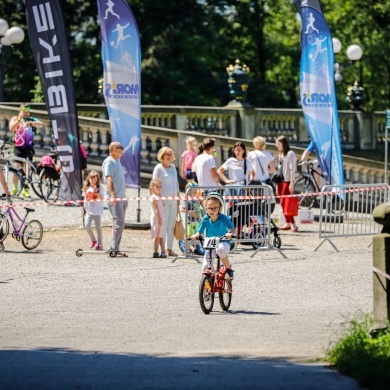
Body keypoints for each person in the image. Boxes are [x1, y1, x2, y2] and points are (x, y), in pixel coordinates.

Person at [190, 191, 236, 280]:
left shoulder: (223, 218)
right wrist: (196, 235)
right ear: (206, 208)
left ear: (219, 208)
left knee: (220, 249)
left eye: (214, 208)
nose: (211, 210)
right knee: (205, 267)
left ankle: (228, 269)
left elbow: (233, 229)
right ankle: (206, 288)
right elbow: (199, 231)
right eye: (209, 208)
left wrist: (230, 233)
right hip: (211, 244)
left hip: (223, 242)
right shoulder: (205, 219)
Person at [8, 103, 43, 197]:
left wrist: (30, 123)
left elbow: (41, 124)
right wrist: (19, 120)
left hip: (28, 148)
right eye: (25, 111)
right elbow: (11, 128)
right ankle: (15, 189)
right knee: (16, 168)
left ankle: (25, 190)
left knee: (27, 170)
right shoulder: (15, 118)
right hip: (18, 148)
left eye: (28, 111)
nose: (27, 113)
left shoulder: (31, 119)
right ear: (20, 111)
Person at [152, 147, 180, 257]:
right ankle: (161, 249)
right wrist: (157, 200)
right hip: (162, 201)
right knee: (162, 225)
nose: (169, 156)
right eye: (166, 154)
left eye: (170, 154)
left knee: (170, 225)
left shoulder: (173, 168)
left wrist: (178, 198)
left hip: (173, 200)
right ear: (162, 156)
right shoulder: (158, 168)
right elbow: (154, 185)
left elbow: (176, 183)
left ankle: (169, 248)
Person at [102, 141, 128, 257]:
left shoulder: (118, 161)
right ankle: (112, 247)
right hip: (115, 198)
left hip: (122, 198)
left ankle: (115, 248)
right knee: (119, 222)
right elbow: (109, 179)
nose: (122, 149)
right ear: (113, 150)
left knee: (119, 224)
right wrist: (113, 194)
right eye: (120, 147)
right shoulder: (109, 161)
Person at [275, 135, 298, 232]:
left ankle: (293, 224)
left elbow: (292, 169)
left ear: (283, 144)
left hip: (287, 180)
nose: (277, 146)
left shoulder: (290, 154)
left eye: (278, 144)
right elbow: (278, 170)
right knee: (282, 202)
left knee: (285, 202)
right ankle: (288, 222)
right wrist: (276, 185)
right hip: (280, 180)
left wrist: (292, 183)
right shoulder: (280, 154)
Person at [82, 170, 104, 251]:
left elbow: (102, 199)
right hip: (89, 211)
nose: (94, 181)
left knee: (98, 227)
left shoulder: (100, 188)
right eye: (92, 179)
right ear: (89, 179)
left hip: (97, 211)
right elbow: (84, 198)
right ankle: (93, 239)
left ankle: (100, 244)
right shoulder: (86, 188)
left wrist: (97, 192)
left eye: (95, 179)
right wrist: (84, 208)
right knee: (87, 225)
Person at [149, 179, 167, 258]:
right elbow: (156, 209)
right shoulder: (153, 198)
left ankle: (163, 251)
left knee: (161, 235)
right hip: (157, 218)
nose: (159, 188)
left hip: (161, 218)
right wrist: (159, 218)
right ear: (152, 188)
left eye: (160, 186)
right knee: (157, 236)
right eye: (157, 187)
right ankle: (155, 252)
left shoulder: (159, 197)